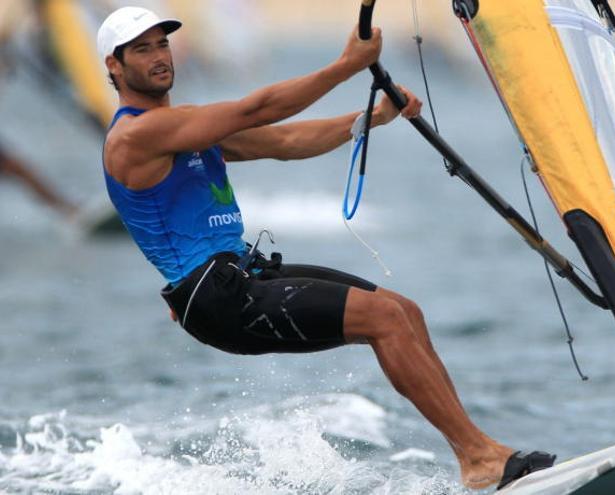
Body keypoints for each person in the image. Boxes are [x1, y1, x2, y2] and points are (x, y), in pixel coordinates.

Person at [97, 6, 554, 489]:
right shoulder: (137, 134)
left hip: (238, 275)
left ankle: (476, 454)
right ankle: (481, 460)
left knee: (404, 312)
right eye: (141, 49)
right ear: (114, 65)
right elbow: (258, 108)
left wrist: (373, 118)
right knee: (385, 320)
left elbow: (287, 138)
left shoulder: (185, 129)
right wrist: (346, 66)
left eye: (162, 44)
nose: (158, 56)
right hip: (213, 295)